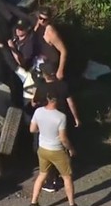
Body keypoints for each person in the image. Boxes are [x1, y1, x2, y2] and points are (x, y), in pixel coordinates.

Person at [29, 90, 84, 206]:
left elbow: (32, 129)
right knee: (67, 177)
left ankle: (33, 203)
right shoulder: (61, 117)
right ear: (57, 100)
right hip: (57, 151)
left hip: (43, 149)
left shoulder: (38, 112)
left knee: (42, 175)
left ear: (47, 99)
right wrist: (71, 149)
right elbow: (63, 138)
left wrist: (43, 131)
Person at [32, 61, 81, 192]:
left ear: (44, 74)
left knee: (46, 149)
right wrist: (76, 118)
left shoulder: (41, 88)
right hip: (62, 121)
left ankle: (50, 180)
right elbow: (71, 103)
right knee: (61, 148)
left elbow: (33, 103)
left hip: (46, 123)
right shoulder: (63, 85)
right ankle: (62, 175)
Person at [34, 6, 67, 80]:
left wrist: (60, 70)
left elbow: (63, 51)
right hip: (40, 60)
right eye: (40, 18)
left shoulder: (51, 32)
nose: (42, 21)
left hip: (50, 63)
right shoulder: (38, 25)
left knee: (49, 87)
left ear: (49, 20)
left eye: (45, 19)